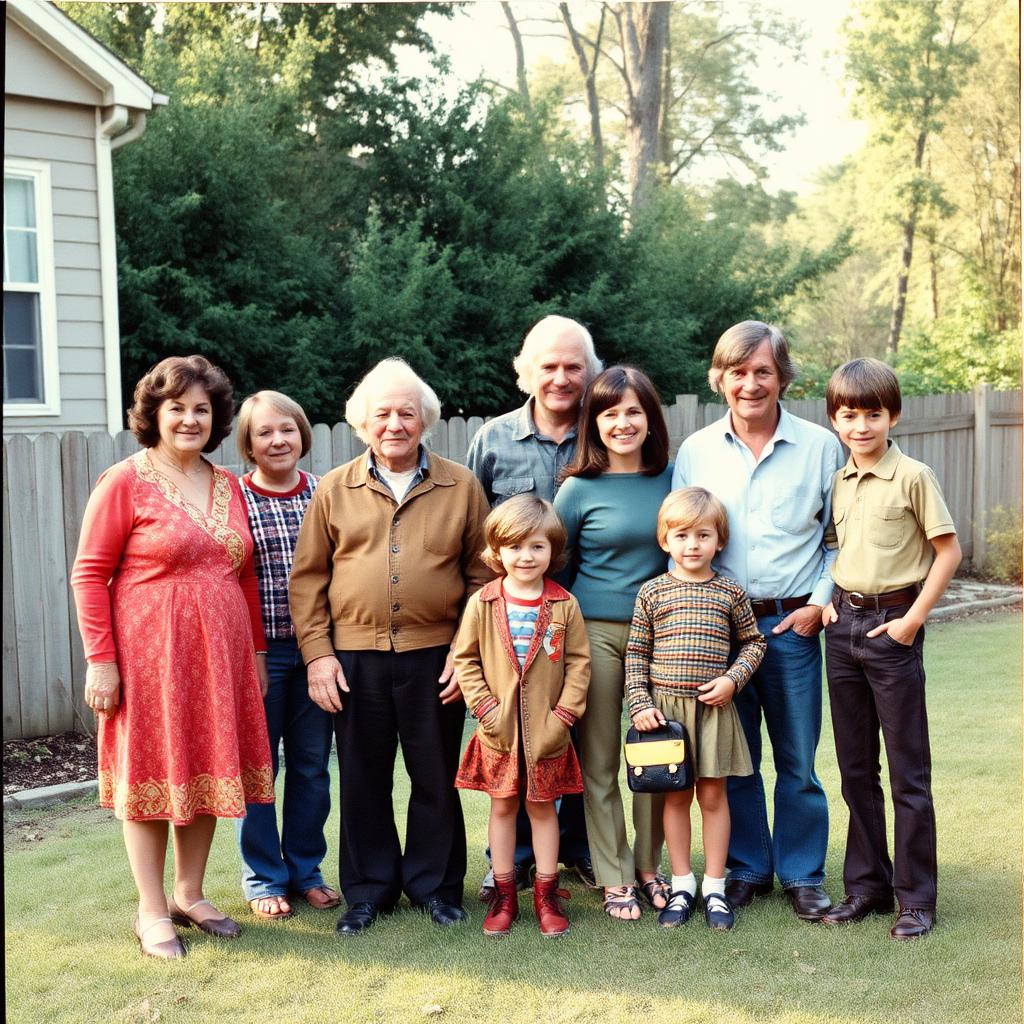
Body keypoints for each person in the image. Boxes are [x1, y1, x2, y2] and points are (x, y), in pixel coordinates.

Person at [70, 355, 274, 960]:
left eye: (201, 409)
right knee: (153, 775)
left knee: (209, 768)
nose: (189, 419)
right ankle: (151, 908)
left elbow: (244, 575)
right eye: (176, 408)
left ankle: (190, 893)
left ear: (216, 418)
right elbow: (88, 575)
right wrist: (100, 660)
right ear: (153, 414)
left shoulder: (229, 484)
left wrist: (258, 653)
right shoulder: (124, 481)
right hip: (149, 657)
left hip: (222, 657)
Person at [289, 358, 493, 937]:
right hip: (354, 660)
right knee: (362, 778)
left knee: (435, 775)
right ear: (362, 422)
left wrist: (464, 650)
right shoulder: (335, 488)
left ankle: (437, 887)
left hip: (437, 657)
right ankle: (368, 891)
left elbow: (483, 576)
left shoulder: (460, 485)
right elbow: (308, 579)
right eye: (383, 413)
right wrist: (318, 655)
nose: (395, 423)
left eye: (407, 412)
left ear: (425, 419)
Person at [672, 321, 844, 921]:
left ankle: (802, 874)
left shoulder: (822, 447)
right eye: (738, 372)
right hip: (716, 630)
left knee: (798, 759)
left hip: (790, 625)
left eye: (763, 371)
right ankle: (745, 868)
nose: (751, 384)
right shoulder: (695, 451)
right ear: (719, 379)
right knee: (731, 758)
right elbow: (678, 535)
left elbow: (838, 539)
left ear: (783, 378)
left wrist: (817, 603)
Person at [819, 358, 961, 940]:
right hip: (842, 630)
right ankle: (867, 887)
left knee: (908, 772)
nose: (861, 425)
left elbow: (947, 552)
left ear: (892, 415)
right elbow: (835, 549)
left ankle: (916, 898)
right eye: (849, 415)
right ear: (834, 419)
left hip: (893, 629)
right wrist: (826, 600)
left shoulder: (914, 476)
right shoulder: (840, 480)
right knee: (855, 770)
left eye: (872, 414)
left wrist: (910, 623)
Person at [466, 314, 601, 898]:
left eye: (574, 366)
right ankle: (515, 861)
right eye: (549, 365)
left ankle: (578, 851)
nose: (561, 377)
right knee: (513, 732)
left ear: (590, 373)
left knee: (574, 736)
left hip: (584, 612)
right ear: (525, 371)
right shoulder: (493, 439)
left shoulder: (605, 432)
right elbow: (474, 533)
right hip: (510, 618)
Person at [554, 365, 675, 921]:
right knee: (600, 759)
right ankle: (614, 875)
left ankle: (651, 868)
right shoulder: (577, 489)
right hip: (596, 635)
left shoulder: (673, 480)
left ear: (650, 419)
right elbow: (553, 564)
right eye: (609, 413)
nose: (622, 423)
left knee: (655, 753)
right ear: (594, 423)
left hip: (664, 635)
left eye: (633, 411)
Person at [625, 488, 766, 932]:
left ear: (719, 541)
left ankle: (716, 888)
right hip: (665, 717)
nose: (692, 545)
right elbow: (635, 653)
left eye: (703, 535)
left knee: (713, 796)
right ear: (665, 540)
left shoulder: (730, 593)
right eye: (681, 535)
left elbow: (754, 642)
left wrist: (732, 680)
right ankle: (682, 884)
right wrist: (641, 704)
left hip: (713, 711)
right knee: (676, 796)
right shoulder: (652, 593)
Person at [454, 495, 591, 937]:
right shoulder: (484, 603)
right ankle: (504, 893)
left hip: (548, 731)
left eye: (536, 546)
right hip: (498, 731)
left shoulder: (563, 605)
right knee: (502, 807)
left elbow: (579, 665)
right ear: (497, 552)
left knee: (543, 809)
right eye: (514, 547)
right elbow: (466, 659)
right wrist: (486, 709)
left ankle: (547, 896)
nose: (525, 556)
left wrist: (563, 718)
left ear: (552, 550)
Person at [234, 391, 338, 921]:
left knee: (312, 769)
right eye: (264, 433)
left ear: (303, 434)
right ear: (248, 444)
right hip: (260, 652)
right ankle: (262, 878)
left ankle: (305, 870)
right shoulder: (231, 498)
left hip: (319, 652)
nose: (278, 440)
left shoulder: (326, 492)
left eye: (287, 430)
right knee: (257, 769)